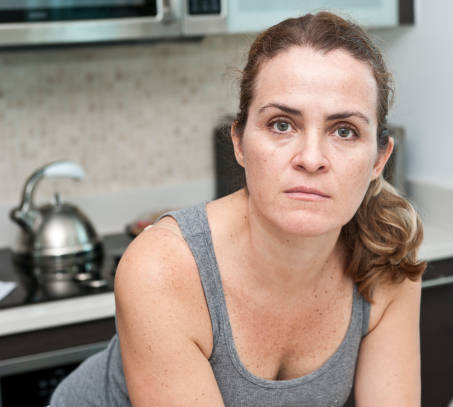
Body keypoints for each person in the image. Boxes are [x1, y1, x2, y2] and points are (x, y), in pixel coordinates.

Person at [50, 11, 426, 407]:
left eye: (344, 131)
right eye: (282, 125)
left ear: (379, 160)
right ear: (239, 143)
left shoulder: (387, 258)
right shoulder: (165, 267)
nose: (311, 158)